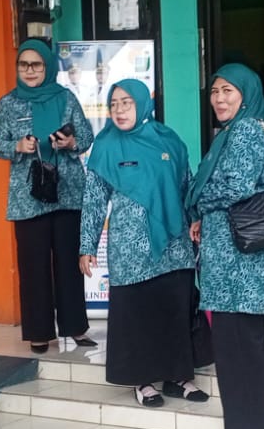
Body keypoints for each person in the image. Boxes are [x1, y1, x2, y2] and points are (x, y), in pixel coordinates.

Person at [78, 80, 209, 408]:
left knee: (174, 308)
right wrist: (86, 246)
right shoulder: (106, 146)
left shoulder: (168, 140)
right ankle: (143, 380)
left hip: (174, 245)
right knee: (138, 313)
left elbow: (186, 185)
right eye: (114, 104)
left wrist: (197, 219)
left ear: (142, 103)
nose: (119, 110)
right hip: (130, 249)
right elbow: (94, 200)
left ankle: (178, 376)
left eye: (127, 102)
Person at [186, 64, 264, 429]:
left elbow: (236, 188)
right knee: (243, 350)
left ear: (246, 94)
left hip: (240, 269)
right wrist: (204, 214)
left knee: (238, 352)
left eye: (228, 90)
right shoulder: (247, 129)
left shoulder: (246, 130)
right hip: (244, 264)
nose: (219, 99)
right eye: (215, 91)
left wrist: (199, 199)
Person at [0, 39, 95, 354]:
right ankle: (38, 332)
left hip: (67, 193)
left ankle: (76, 327)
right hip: (28, 198)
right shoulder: (8, 103)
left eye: (36, 64)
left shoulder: (66, 98)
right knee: (33, 266)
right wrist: (17, 146)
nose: (30, 70)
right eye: (24, 65)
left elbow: (86, 135)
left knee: (69, 264)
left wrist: (70, 143)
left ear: (47, 66)